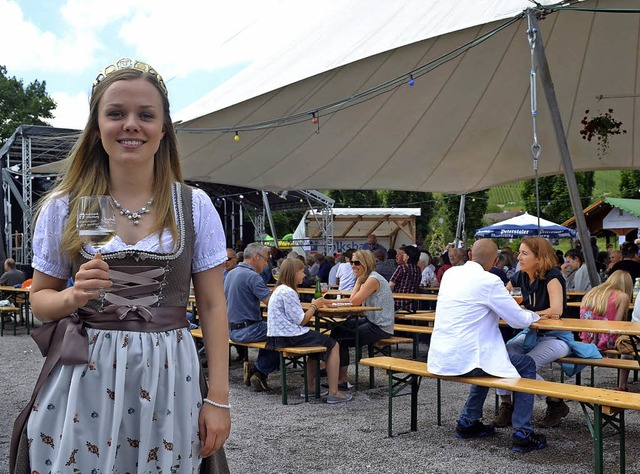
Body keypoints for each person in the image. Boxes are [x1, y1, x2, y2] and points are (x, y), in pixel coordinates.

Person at [11, 58, 230, 474]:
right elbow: (39, 302)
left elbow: (213, 306)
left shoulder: (193, 206)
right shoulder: (64, 207)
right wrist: (74, 296)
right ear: (96, 127)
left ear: (163, 129)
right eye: (116, 113)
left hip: (169, 377)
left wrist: (218, 398)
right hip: (84, 376)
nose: (131, 124)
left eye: (146, 115)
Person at [428, 239, 546, 453]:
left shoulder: (450, 274)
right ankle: (523, 433)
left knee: (487, 362)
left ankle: (468, 421)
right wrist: (536, 315)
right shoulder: (490, 281)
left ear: (470, 254)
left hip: (442, 355)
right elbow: (517, 320)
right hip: (468, 357)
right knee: (525, 364)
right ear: (494, 261)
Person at [495, 237, 596, 429]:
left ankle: (555, 403)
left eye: (524, 253)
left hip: (557, 336)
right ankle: (507, 405)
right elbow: (501, 299)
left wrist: (526, 313)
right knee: (500, 356)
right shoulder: (520, 277)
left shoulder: (553, 276)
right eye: (519, 252)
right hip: (531, 334)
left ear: (539, 258)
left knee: (526, 364)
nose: (519, 257)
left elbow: (556, 310)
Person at [266, 258, 352, 403]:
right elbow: (302, 320)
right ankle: (334, 392)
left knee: (315, 348)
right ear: (294, 273)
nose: (304, 275)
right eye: (301, 272)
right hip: (289, 335)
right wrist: (314, 305)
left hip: (277, 336)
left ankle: (310, 387)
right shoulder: (288, 291)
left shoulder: (279, 289)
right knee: (333, 345)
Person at [330, 250, 395, 387]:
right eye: (352, 262)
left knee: (341, 337)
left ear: (366, 263)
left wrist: (358, 281)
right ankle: (329, 368)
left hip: (380, 326)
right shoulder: (368, 278)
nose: (353, 266)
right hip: (372, 320)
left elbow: (354, 302)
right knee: (337, 330)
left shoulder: (372, 279)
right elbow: (352, 299)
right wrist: (328, 303)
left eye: (357, 263)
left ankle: (340, 379)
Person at [225, 242, 279, 392]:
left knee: (272, 330)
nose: (267, 263)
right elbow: (272, 303)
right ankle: (260, 371)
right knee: (282, 332)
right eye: (265, 259)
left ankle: (259, 370)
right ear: (256, 256)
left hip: (231, 330)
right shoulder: (252, 276)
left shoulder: (231, 274)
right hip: (248, 329)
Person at [579, 270, 633, 351]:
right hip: (607, 342)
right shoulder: (622, 296)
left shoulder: (593, 291)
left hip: (587, 338)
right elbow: (617, 324)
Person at [390, 245, 421, 311]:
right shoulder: (418, 269)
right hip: (413, 304)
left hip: (399, 304)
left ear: (407, 256)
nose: (403, 255)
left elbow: (391, 285)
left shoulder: (402, 267)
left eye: (404, 253)